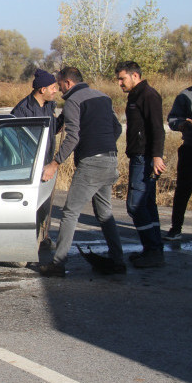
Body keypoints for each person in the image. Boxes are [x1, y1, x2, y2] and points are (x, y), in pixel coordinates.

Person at [38, 67, 124, 277]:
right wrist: (103, 143)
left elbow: (73, 137)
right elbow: (118, 128)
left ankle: (58, 263)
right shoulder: (103, 97)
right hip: (110, 160)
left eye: (59, 85)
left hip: (91, 165)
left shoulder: (74, 101)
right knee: (105, 214)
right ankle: (118, 261)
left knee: (70, 213)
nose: (59, 90)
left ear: (68, 83)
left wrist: (54, 163)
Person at [115, 61, 166, 267]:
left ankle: (153, 250)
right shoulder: (135, 96)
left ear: (135, 76)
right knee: (147, 204)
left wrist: (157, 156)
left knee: (135, 206)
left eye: (122, 78)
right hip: (138, 156)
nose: (119, 83)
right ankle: (153, 249)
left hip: (145, 158)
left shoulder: (148, 95)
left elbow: (157, 129)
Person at [11, 69, 64, 250]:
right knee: (31, 208)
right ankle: (26, 245)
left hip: (48, 164)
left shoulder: (49, 106)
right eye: (53, 87)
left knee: (45, 206)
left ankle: (42, 239)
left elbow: (53, 130)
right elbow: (15, 139)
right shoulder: (22, 110)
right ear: (42, 89)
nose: (55, 90)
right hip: (30, 166)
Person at [165, 85, 192, 241]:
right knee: (183, 190)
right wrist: (181, 124)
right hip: (190, 148)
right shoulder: (185, 95)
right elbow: (173, 119)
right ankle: (176, 228)